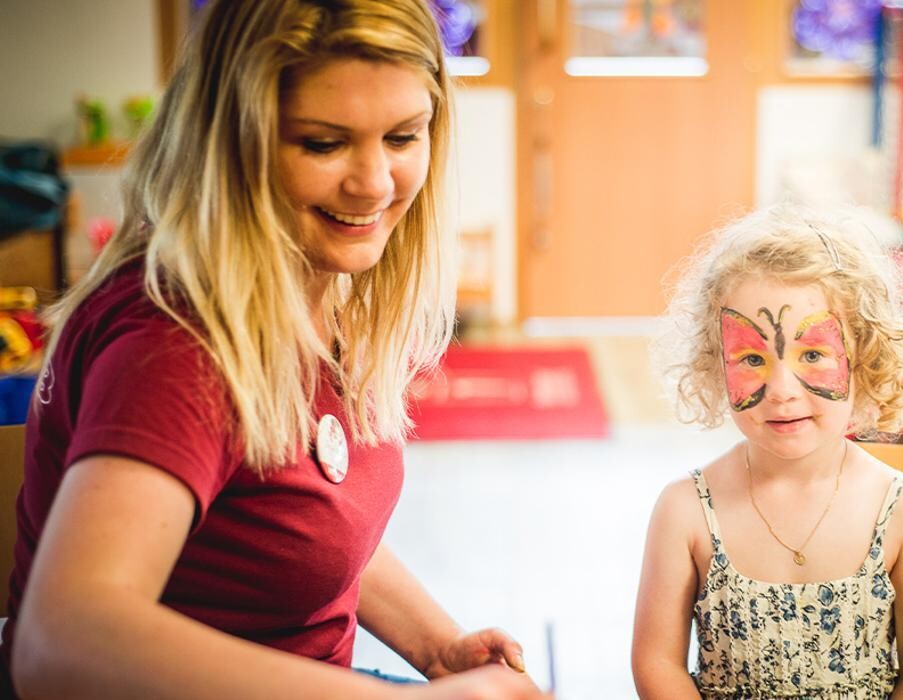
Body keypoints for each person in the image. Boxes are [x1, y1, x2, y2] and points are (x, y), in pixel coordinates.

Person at [1, 1, 546, 698]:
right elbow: (59, 644)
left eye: (404, 137)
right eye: (323, 144)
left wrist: (439, 652)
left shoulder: (314, 276)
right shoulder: (175, 346)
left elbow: (297, 531)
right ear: (230, 142)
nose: (374, 183)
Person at [631, 204, 903, 699]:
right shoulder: (686, 512)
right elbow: (656, 663)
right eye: (752, 357)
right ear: (715, 364)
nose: (782, 388)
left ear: (866, 356)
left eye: (812, 353)